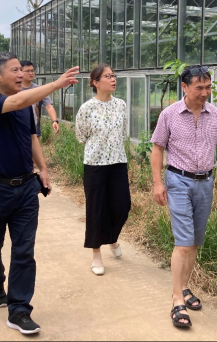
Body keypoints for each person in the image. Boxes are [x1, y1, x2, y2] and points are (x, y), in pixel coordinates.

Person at [0, 52, 78, 335]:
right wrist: (55, 84)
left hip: (25, 189)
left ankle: (19, 310)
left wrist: (42, 168)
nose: (21, 74)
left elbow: (32, 137)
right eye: (14, 70)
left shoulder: (26, 104)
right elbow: (17, 102)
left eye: (22, 69)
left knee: (24, 250)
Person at [150, 64, 217, 329]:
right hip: (178, 180)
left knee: (194, 242)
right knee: (184, 242)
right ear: (185, 87)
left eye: (208, 87)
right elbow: (157, 149)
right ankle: (177, 299)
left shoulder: (215, 115)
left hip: (205, 183)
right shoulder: (169, 115)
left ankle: (185, 286)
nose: (204, 93)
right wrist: (157, 183)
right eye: (199, 87)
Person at [75, 64, 130, 276]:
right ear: (95, 82)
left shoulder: (121, 105)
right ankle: (96, 253)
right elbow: (81, 136)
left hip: (118, 161)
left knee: (122, 205)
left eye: (114, 75)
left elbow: (122, 132)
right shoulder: (87, 108)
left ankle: (112, 237)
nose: (113, 79)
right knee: (96, 209)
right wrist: (99, 148)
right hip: (95, 164)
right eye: (108, 76)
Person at [20, 60, 60, 137]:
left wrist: (54, 121)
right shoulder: (15, 90)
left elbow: (49, 106)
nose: (31, 73)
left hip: (35, 130)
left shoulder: (39, 90)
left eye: (32, 71)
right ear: (20, 72)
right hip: (18, 130)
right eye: (27, 71)